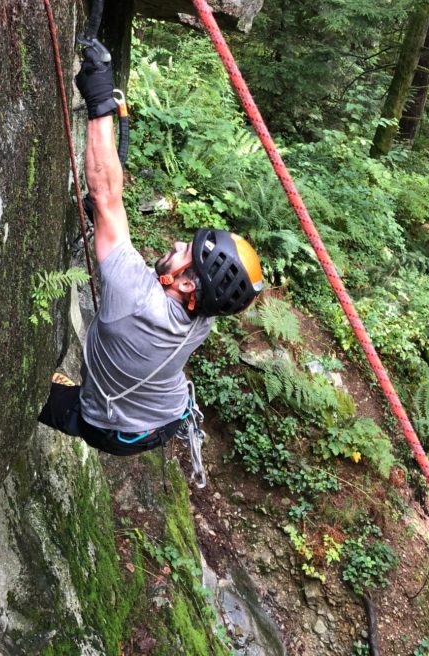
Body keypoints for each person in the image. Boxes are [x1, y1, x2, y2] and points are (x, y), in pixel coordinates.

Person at [38, 46, 266, 456]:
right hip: (165, 416)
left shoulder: (136, 298)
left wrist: (100, 101)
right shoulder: (203, 317)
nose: (179, 244)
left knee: (25, 396)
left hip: (111, 429)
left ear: (187, 284)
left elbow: (106, 195)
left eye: (187, 254)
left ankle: (62, 403)